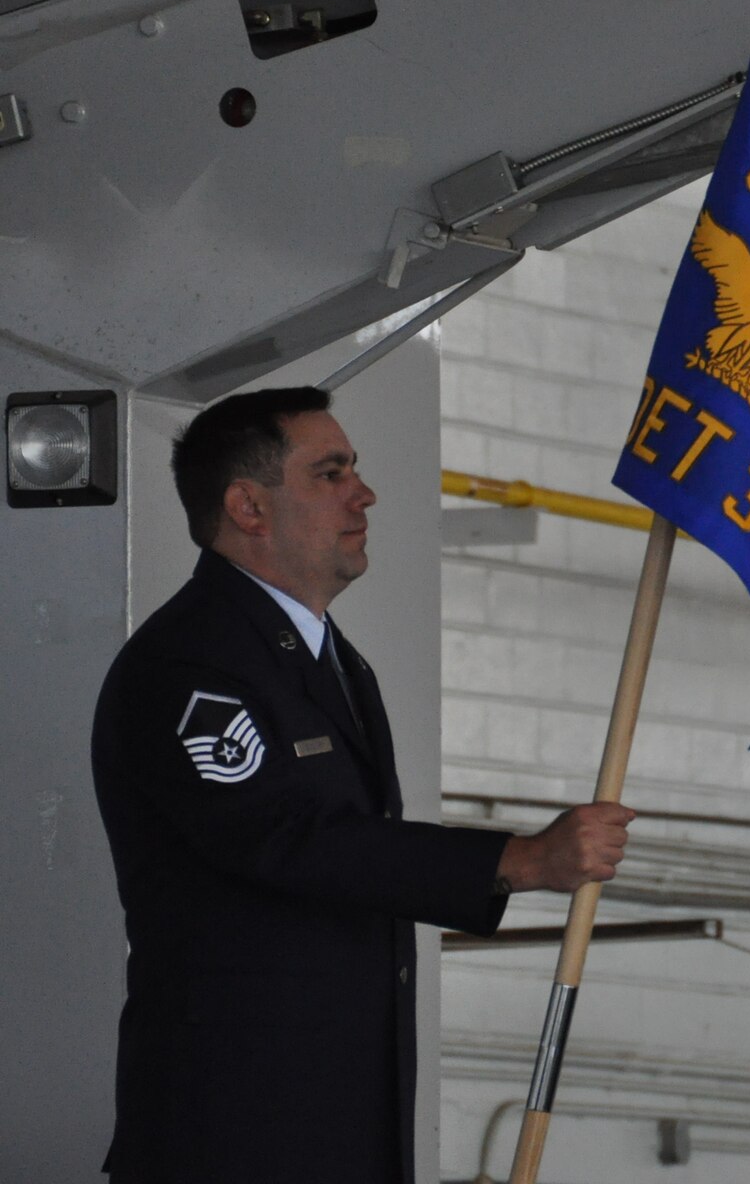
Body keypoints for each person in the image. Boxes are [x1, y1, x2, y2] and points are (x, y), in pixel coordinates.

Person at [92, 387, 636, 1184]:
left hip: (332, 1129)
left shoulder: (331, 662)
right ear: (249, 506)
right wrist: (515, 860)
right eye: (330, 473)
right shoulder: (190, 663)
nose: (364, 492)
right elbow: (284, 838)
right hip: (238, 1138)